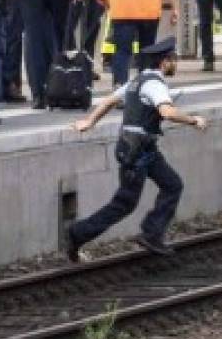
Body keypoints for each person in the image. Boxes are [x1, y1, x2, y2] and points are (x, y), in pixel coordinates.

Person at [66, 37, 207, 258]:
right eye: (174, 60)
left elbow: (109, 101)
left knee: (172, 184)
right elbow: (167, 112)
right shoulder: (154, 85)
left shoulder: (138, 80)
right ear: (165, 62)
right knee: (124, 204)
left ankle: (152, 233)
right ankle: (78, 233)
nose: (176, 64)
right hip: (136, 152)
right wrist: (193, 120)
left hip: (143, 148)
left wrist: (90, 121)